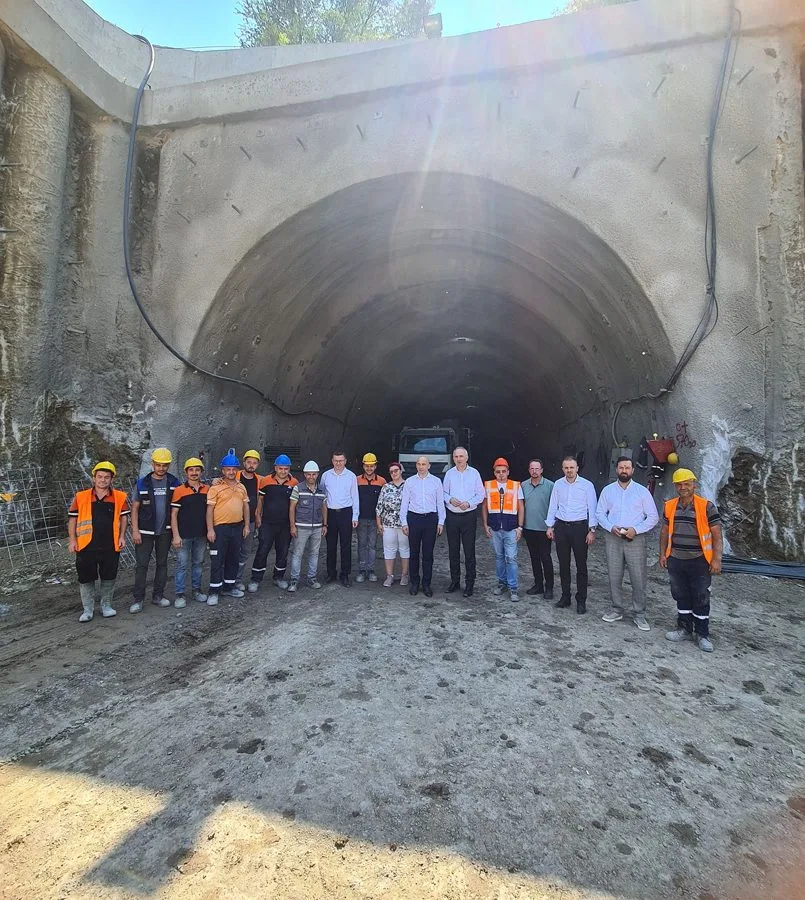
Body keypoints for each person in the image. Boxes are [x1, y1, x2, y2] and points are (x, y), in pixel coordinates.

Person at [660, 467, 723, 652]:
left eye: (687, 484)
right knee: (680, 594)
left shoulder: (707, 507)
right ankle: (684, 628)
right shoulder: (670, 506)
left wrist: (716, 559)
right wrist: (662, 554)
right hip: (676, 559)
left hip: (699, 560)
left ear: (694, 485)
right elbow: (664, 532)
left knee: (701, 596)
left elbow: (717, 535)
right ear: (675, 486)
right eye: (679, 485)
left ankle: (702, 634)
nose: (683, 488)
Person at [596, 456, 659, 631]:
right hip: (613, 536)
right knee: (614, 575)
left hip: (635, 538)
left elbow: (653, 516)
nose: (624, 470)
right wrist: (610, 527)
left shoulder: (642, 492)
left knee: (638, 577)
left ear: (632, 470)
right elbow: (599, 513)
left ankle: (639, 614)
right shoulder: (608, 491)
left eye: (627, 467)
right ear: (617, 469)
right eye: (621, 467)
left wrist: (636, 530)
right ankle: (616, 609)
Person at [67, 461, 130, 622]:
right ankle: (87, 610)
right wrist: (72, 540)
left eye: (106, 477)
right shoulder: (81, 497)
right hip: (86, 544)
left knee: (109, 576)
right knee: (86, 577)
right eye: (100, 476)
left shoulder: (119, 497)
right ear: (94, 478)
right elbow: (73, 519)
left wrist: (122, 537)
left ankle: (106, 606)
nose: (103, 480)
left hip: (110, 544)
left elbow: (124, 518)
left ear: (112, 479)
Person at [129, 447, 180, 614]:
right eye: (158, 465)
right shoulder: (142, 483)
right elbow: (134, 508)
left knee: (162, 564)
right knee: (141, 565)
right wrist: (135, 531)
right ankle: (138, 599)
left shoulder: (174, 483)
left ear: (169, 465)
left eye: (164, 465)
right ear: (152, 464)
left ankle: (158, 595)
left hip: (165, 531)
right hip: (145, 532)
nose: (161, 468)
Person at [545, 455, 598, 614]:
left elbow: (592, 508)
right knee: (563, 564)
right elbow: (553, 505)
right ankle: (565, 596)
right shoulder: (558, 484)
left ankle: (581, 600)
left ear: (577, 468)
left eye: (572, 467)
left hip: (579, 528)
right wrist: (550, 526)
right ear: (563, 469)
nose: (569, 470)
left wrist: (592, 530)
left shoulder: (587, 485)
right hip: (561, 527)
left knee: (581, 565)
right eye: (566, 468)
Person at [206, 450, 250, 605]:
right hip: (220, 529)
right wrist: (210, 529)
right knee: (217, 560)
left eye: (233, 469)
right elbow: (209, 510)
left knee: (233, 558)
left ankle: (229, 588)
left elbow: (246, 507)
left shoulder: (241, 487)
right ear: (223, 471)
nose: (231, 472)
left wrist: (246, 525)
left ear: (237, 470)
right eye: (228, 469)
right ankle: (214, 591)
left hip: (237, 528)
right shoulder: (215, 488)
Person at [248, 454, 298, 592]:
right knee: (263, 550)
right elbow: (260, 500)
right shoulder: (265, 481)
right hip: (267, 523)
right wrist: (258, 517)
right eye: (280, 468)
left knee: (283, 551)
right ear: (275, 468)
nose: (283, 471)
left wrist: (293, 524)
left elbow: (295, 504)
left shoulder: (294, 483)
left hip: (285, 524)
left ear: (289, 469)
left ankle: (278, 577)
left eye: (286, 469)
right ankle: (255, 578)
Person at [442, 446, 485, 598]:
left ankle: (469, 583)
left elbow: (481, 494)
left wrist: (469, 503)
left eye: (461, 456)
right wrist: (450, 499)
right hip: (452, 517)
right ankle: (455, 581)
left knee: (469, 551)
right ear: (453, 458)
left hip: (468, 516)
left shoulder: (474, 473)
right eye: (456, 456)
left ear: (466, 458)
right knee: (453, 551)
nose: (458, 459)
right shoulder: (449, 474)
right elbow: (443, 492)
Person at [400, 455, 445, 597]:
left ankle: (426, 584)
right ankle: (414, 583)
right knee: (414, 553)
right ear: (416, 465)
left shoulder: (436, 482)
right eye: (419, 464)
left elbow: (440, 503)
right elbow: (404, 503)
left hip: (430, 519)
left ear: (429, 466)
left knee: (428, 554)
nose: (421, 467)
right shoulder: (409, 482)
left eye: (423, 464)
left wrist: (441, 521)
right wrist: (404, 522)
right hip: (414, 518)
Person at [481, 457, 525, 602]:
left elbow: (521, 507)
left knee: (511, 558)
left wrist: (520, 527)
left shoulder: (516, 485)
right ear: (494, 472)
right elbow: (484, 506)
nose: (501, 474)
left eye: (503, 471)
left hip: (511, 527)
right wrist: (485, 525)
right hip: (495, 527)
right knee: (499, 557)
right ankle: (502, 583)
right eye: (498, 471)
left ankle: (513, 588)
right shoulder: (488, 485)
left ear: (508, 472)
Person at [170, 457, 209, 608]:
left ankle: (196, 590)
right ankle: (180, 594)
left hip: (201, 534)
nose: (194, 473)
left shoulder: (207, 489)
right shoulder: (179, 491)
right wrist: (176, 535)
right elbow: (173, 514)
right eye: (191, 470)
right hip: (184, 535)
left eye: (197, 470)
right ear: (186, 472)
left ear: (201, 472)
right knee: (182, 565)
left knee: (198, 563)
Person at [320, 450, 359, 587]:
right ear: (332, 461)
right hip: (330, 513)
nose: (338, 463)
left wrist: (355, 516)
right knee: (330, 545)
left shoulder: (351, 476)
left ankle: (345, 574)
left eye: (341, 460)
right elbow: (322, 496)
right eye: (336, 460)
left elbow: (355, 497)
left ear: (345, 461)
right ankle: (331, 573)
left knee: (345, 545)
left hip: (345, 513)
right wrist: (323, 519)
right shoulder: (326, 476)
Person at [287, 460, 327, 592]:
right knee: (297, 554)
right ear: (304, 474)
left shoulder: (322, 489)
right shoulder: (298, 488)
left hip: (317, 527)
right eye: (308, 474)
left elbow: (324, 507)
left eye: (314, 474)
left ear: (317, 474)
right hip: (301, 527)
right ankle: (294, 580)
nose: (311, 477)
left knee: (314, 553)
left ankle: (312, 579)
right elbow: (292, 508)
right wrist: (292, 526)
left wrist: (324, 524)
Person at [521, 459, 555, 599]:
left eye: (537, 469)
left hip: (544, 528)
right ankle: (538, 585)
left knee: (545, 558)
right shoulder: (523, 485)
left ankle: (549, 587)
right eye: (532, 469)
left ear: (542, 470)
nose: (534, 471)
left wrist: (552, 526)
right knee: (534, 557)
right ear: (529, 470)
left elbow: (555, 507)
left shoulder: (550, 486)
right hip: (529, 528)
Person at [375, 461, 410, 588]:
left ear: (401, 471)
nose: (394, 473)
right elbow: (379, 506)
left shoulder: (408, 485)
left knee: (404, 549)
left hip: (404, 523)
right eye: (391, 472)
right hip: (388, 523)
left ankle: (404, 575)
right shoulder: (386, 487)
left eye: (396, 470)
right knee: (389, 549)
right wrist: (379, 523)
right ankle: (389, 576)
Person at [356, 452, 386, 583]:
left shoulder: (382, 481)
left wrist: (381, 521)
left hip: (375, 519)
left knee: (373, 546)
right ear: (363, 466)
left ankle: (371, 570)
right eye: (367, 466)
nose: (369, 468)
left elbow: (384, 502)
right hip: (361, 518)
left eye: (372, 466)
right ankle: (362, 570)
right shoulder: (356, 480)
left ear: (375, 466)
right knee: (362, 545)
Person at [235, 449, 262, 590]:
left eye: (254, 463)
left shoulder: (260, 480)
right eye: (249, 462)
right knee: (231, 551)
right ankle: (226, 580)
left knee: (245, 552)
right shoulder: (234, 475)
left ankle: (237, 580)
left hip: (250, 521)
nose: (251, 465)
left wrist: (258, 517)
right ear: (244, 463)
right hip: (233, 521)